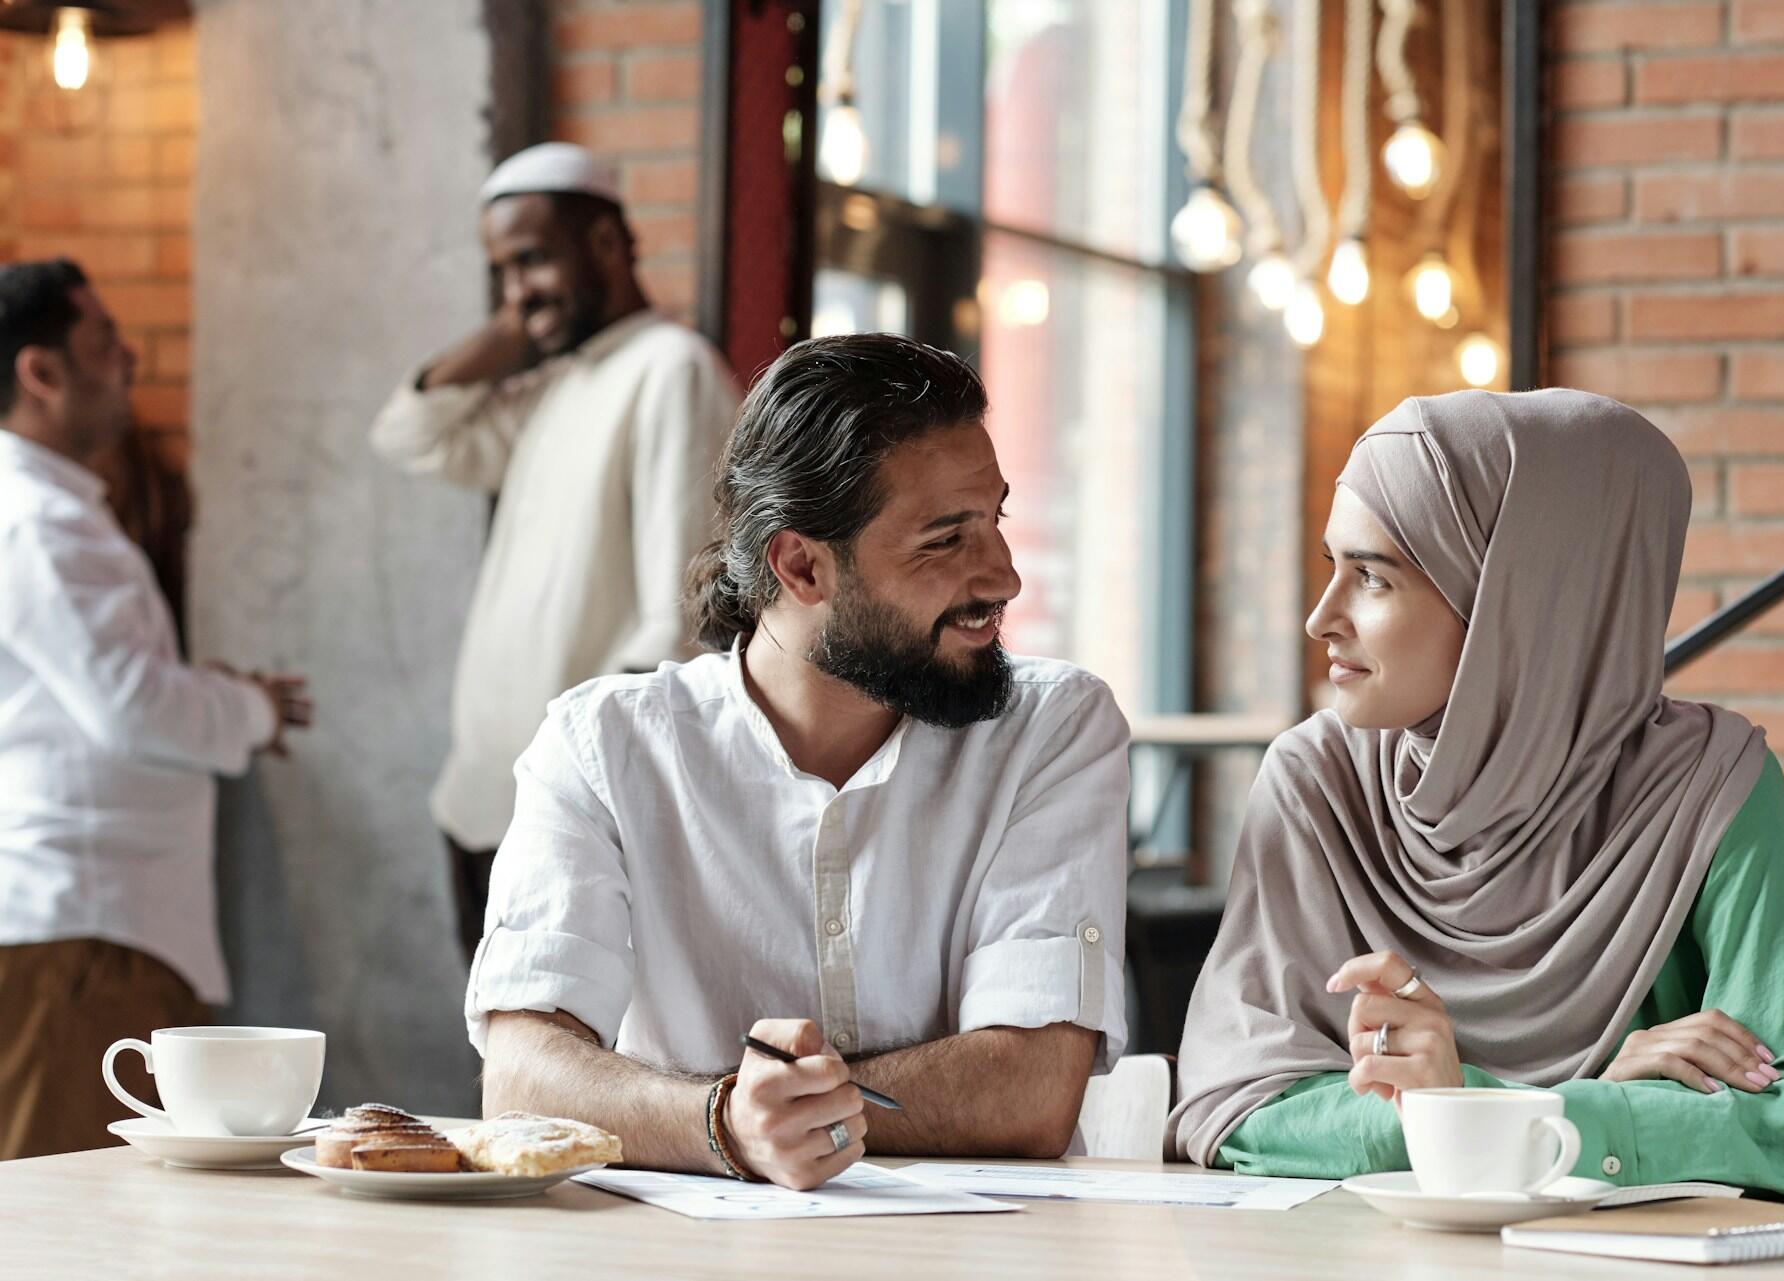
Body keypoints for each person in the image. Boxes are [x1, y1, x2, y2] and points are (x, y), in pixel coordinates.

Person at [467, 333, 1129, 1191]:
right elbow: (521, 1079)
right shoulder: (601, 748)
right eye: (945, 539)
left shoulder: (1053, 729)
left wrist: (769, 1113)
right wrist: (726, 1123)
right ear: (801, 564)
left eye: (994, 519)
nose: (1002, 575)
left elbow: (1032, 1091)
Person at [1170, 389, 1784, 1201]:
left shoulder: (1708, 787)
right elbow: (1231, 1109)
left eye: (1373, 577)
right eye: (1333, 567)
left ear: (1516, 599)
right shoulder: (1314, 786)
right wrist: (1567, 1103)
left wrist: (1468, 1105)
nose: (1322, 616)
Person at [370, 143, 738, 954]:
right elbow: (408, 437)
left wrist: (593, 800)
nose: (517, 289)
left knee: (551, 1078)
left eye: (533, 259)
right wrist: (512, 331)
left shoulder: (672, 370)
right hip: (478, 800)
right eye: (500, 270)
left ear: (606, 242)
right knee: (499, 1078)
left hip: (566, 817)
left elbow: (681, 620)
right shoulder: (556, 382)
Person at [0, 259, 312, 1160]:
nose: (130, 358)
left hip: (99, 925)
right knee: (63, 1226)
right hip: (83, 931)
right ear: (41, 373)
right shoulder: (37, 520)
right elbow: (131, 707)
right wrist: (247, 707)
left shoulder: (50, 511)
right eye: (105, 341)